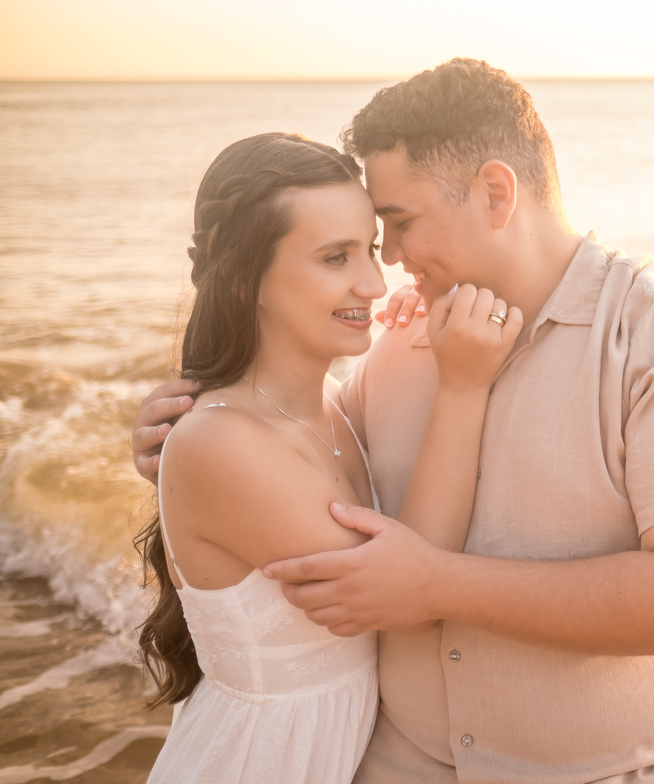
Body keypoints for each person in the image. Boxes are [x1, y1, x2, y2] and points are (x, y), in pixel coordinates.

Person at [133, 59, 654, 783]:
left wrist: (440, 584)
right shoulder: (400, 342)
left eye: (398, 225)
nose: (388, 266)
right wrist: (180, 438)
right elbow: (289, 455)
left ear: (495, 194)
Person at [134, 132, 520, 784]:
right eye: (336, 257)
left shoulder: (339, 404)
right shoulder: (217, 442)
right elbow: (408, 590)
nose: (374, 282)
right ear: (245, 277)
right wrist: (463, 385)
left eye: (370, 248)